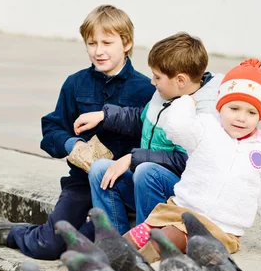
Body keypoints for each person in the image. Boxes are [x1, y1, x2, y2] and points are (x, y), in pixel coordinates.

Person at [0, 4, 154, 260]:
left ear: (126, 43)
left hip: (121, 185)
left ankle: (114, 220)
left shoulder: (146, 88)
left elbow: (153, 138)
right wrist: (71, 144)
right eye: (92, 43)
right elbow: (51, 129)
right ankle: (16, 233)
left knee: (80, 249)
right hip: (82, 181)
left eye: (107, 42)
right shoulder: (75, 83)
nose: (99, 51)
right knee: (50, 246)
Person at [126, 58, 261, 261]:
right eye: (234, 108)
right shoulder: (206, 128)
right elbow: (175, 128)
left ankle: (132, 266)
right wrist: (185, 101)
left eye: (251, 112)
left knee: (167, 237)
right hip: (179, 211)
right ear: (220, 107)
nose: (241, 117)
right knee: (137, 235)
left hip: (220, 230)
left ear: (260, 116)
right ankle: (105, 257)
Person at [73, 32, 222, 237]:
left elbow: (185, 161)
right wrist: (103, 116)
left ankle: (146, 245)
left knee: (146, 171)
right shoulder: (167, 93)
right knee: (100, 169)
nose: (152, 81)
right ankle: (116, 246)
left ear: (180, 80)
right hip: (149, 187)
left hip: (181, 199)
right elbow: (141, 119)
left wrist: (132, 158)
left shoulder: (205, 113)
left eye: (157, 77)